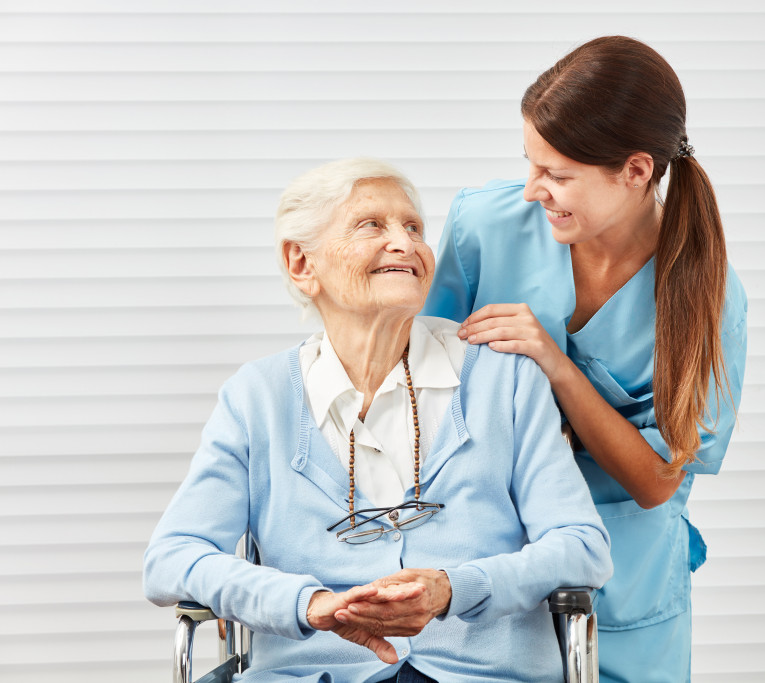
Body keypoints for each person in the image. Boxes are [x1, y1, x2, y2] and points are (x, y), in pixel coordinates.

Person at [143, 157, 613, 683]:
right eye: (372, 225)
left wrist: (456, 588)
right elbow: (171, 557)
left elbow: (581, 545)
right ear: (302, 263)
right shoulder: (258, 397)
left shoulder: (504, 380)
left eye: (414, 228)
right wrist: (308, 603)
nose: (406, 243)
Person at [422, 36, 748, 682]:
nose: (531, 190)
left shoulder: (705, 294)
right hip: (487, 560)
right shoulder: (483, 227)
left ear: (635, 170)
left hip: (624, 587)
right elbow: (424, 390)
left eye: (558, 174)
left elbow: (656, 480)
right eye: (530, 163)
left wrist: (556, 366)